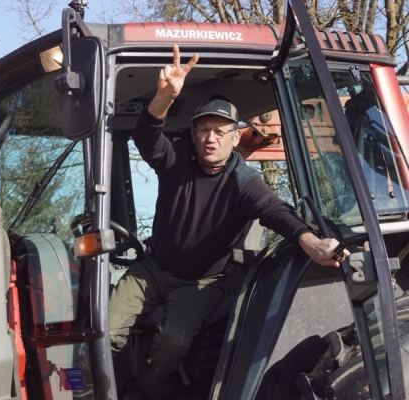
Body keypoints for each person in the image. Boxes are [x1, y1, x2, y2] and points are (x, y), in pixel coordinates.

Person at [109, 44, 348, 400]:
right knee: (104, 329)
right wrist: (163, 98)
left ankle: (143, 394)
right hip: (153, 271)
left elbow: (276, 212)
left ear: (235, 138)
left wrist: (312, 243)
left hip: (202, 283)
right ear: (193, 135)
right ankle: (105, 388)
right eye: (204, 129)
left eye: (220, 131)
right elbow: (146, 138)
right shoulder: (176, 163)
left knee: (172, 343)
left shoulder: (243, 181)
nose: (211, 138)